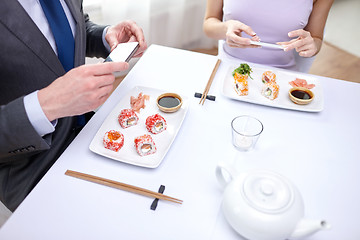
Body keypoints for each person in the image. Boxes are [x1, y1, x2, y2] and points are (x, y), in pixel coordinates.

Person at [0, 0, 147, 211]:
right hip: (32, 167)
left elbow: (67, 28)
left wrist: (105, 36)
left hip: (89, 130)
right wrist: (46, 105)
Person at [203, 0, 334, 71]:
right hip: (228, 68)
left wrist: (312, 45)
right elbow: (209, 24)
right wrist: (226, 28)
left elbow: (316, 38)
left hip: (282, 75)